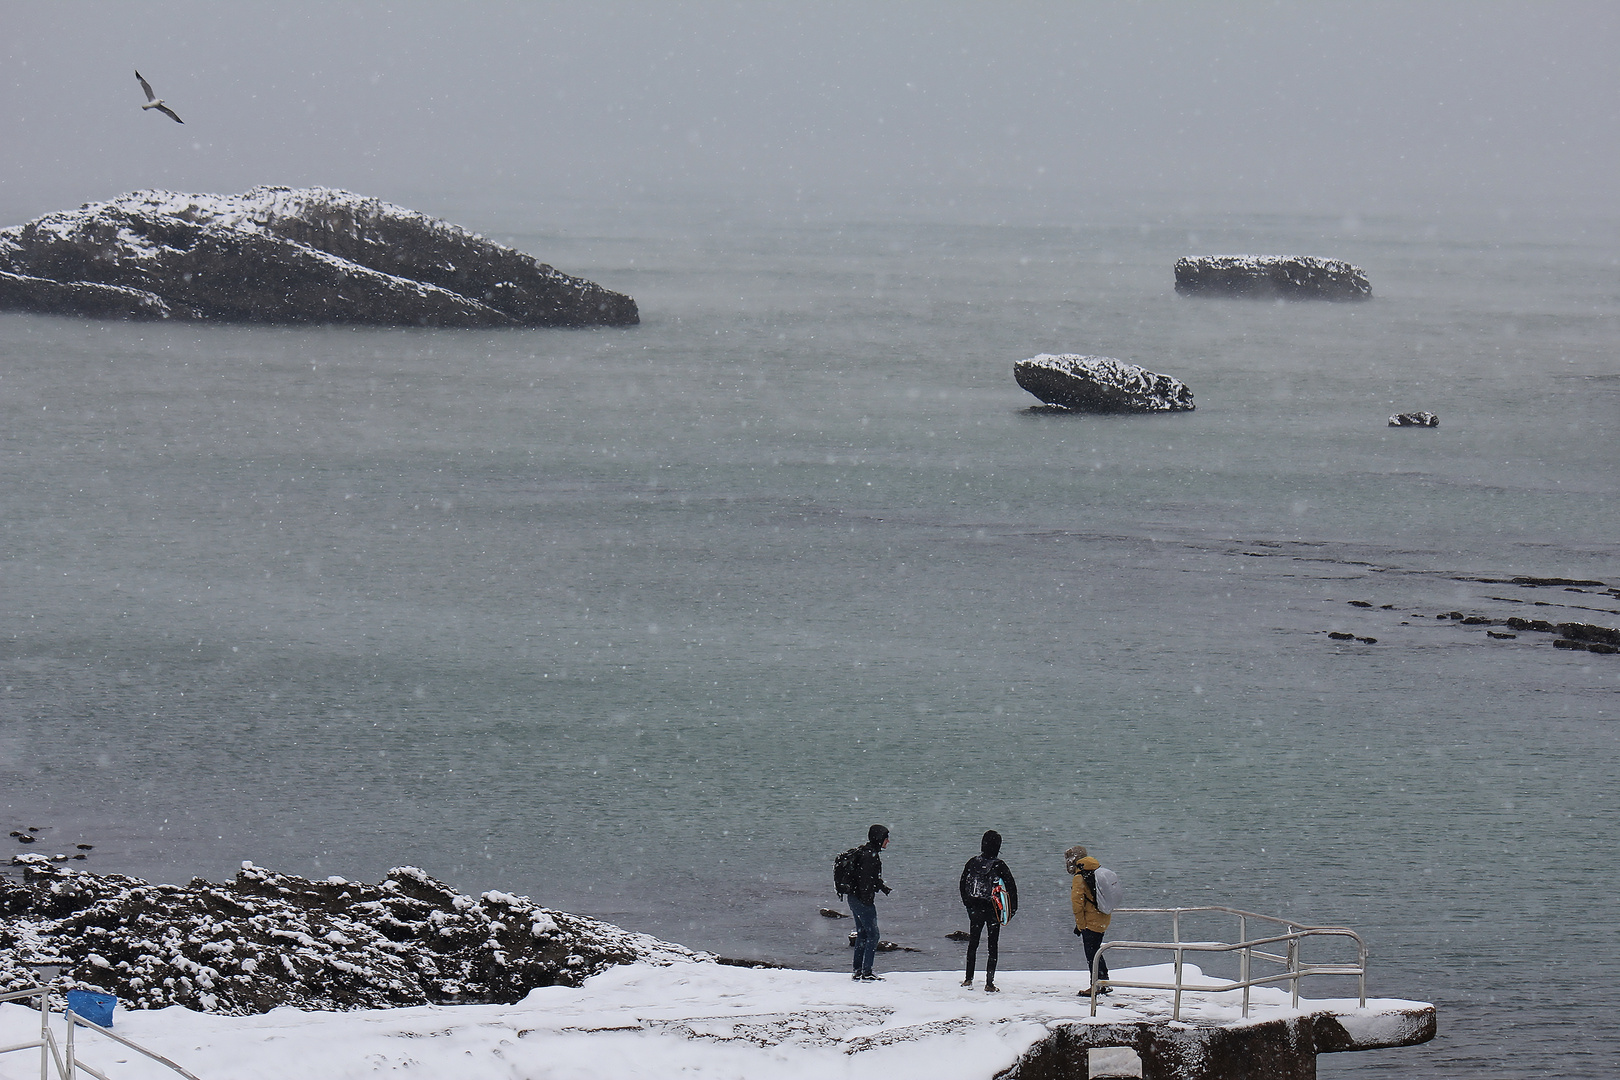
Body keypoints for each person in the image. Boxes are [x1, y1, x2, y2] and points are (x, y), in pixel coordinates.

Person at [958, 829, 1017, 992]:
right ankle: (989, 983)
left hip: (975, 908)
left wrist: (967, 904)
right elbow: (1011, 887)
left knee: (973, 943)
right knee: (992, 945)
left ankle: (968, 979)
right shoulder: (999, 865)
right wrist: (1011, 910)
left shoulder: (972, 862)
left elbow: (962, 884)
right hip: (993, 909)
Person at [1066, 844, 1112, 995]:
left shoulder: (1080, 878)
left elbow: (1077, 905)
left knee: (1092, 955)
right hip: (1103, 917)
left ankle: (1096, 986)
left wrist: (1080, 925)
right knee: (1097, 950)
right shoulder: (1097, 871)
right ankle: (1104, 981)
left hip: (1091, 922)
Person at [847, 824, 891, 981]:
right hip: (861, 901)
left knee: (863, 934)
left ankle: (857, 970)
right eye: (886, 838)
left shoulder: (865, 852)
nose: (888, 841)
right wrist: (867, 901)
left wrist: (882, 887)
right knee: (873, 934)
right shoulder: (869, 856)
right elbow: (866, 879)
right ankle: (866, 972)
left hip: (853, 898)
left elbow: (869, 877)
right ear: (879, 839)